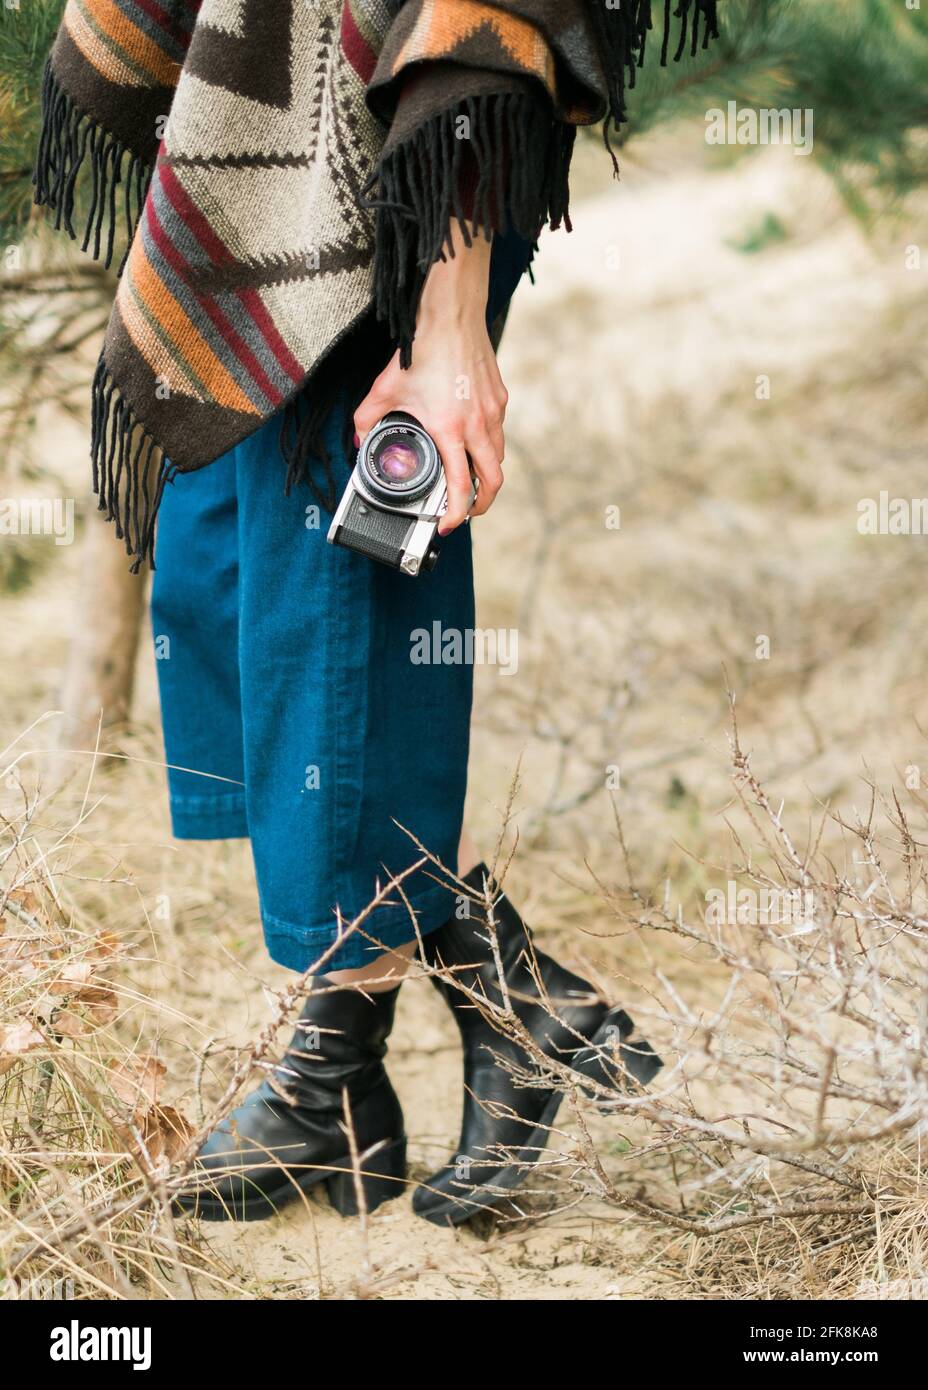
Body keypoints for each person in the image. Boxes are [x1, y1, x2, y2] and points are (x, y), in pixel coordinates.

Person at [34, 0, 718, 1226]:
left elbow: (473, 29)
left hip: (394, 166)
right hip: (275, 143)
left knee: (330, 581)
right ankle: (415, 1047)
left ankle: (361, 1065)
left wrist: (445, 323)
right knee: (239, 559)